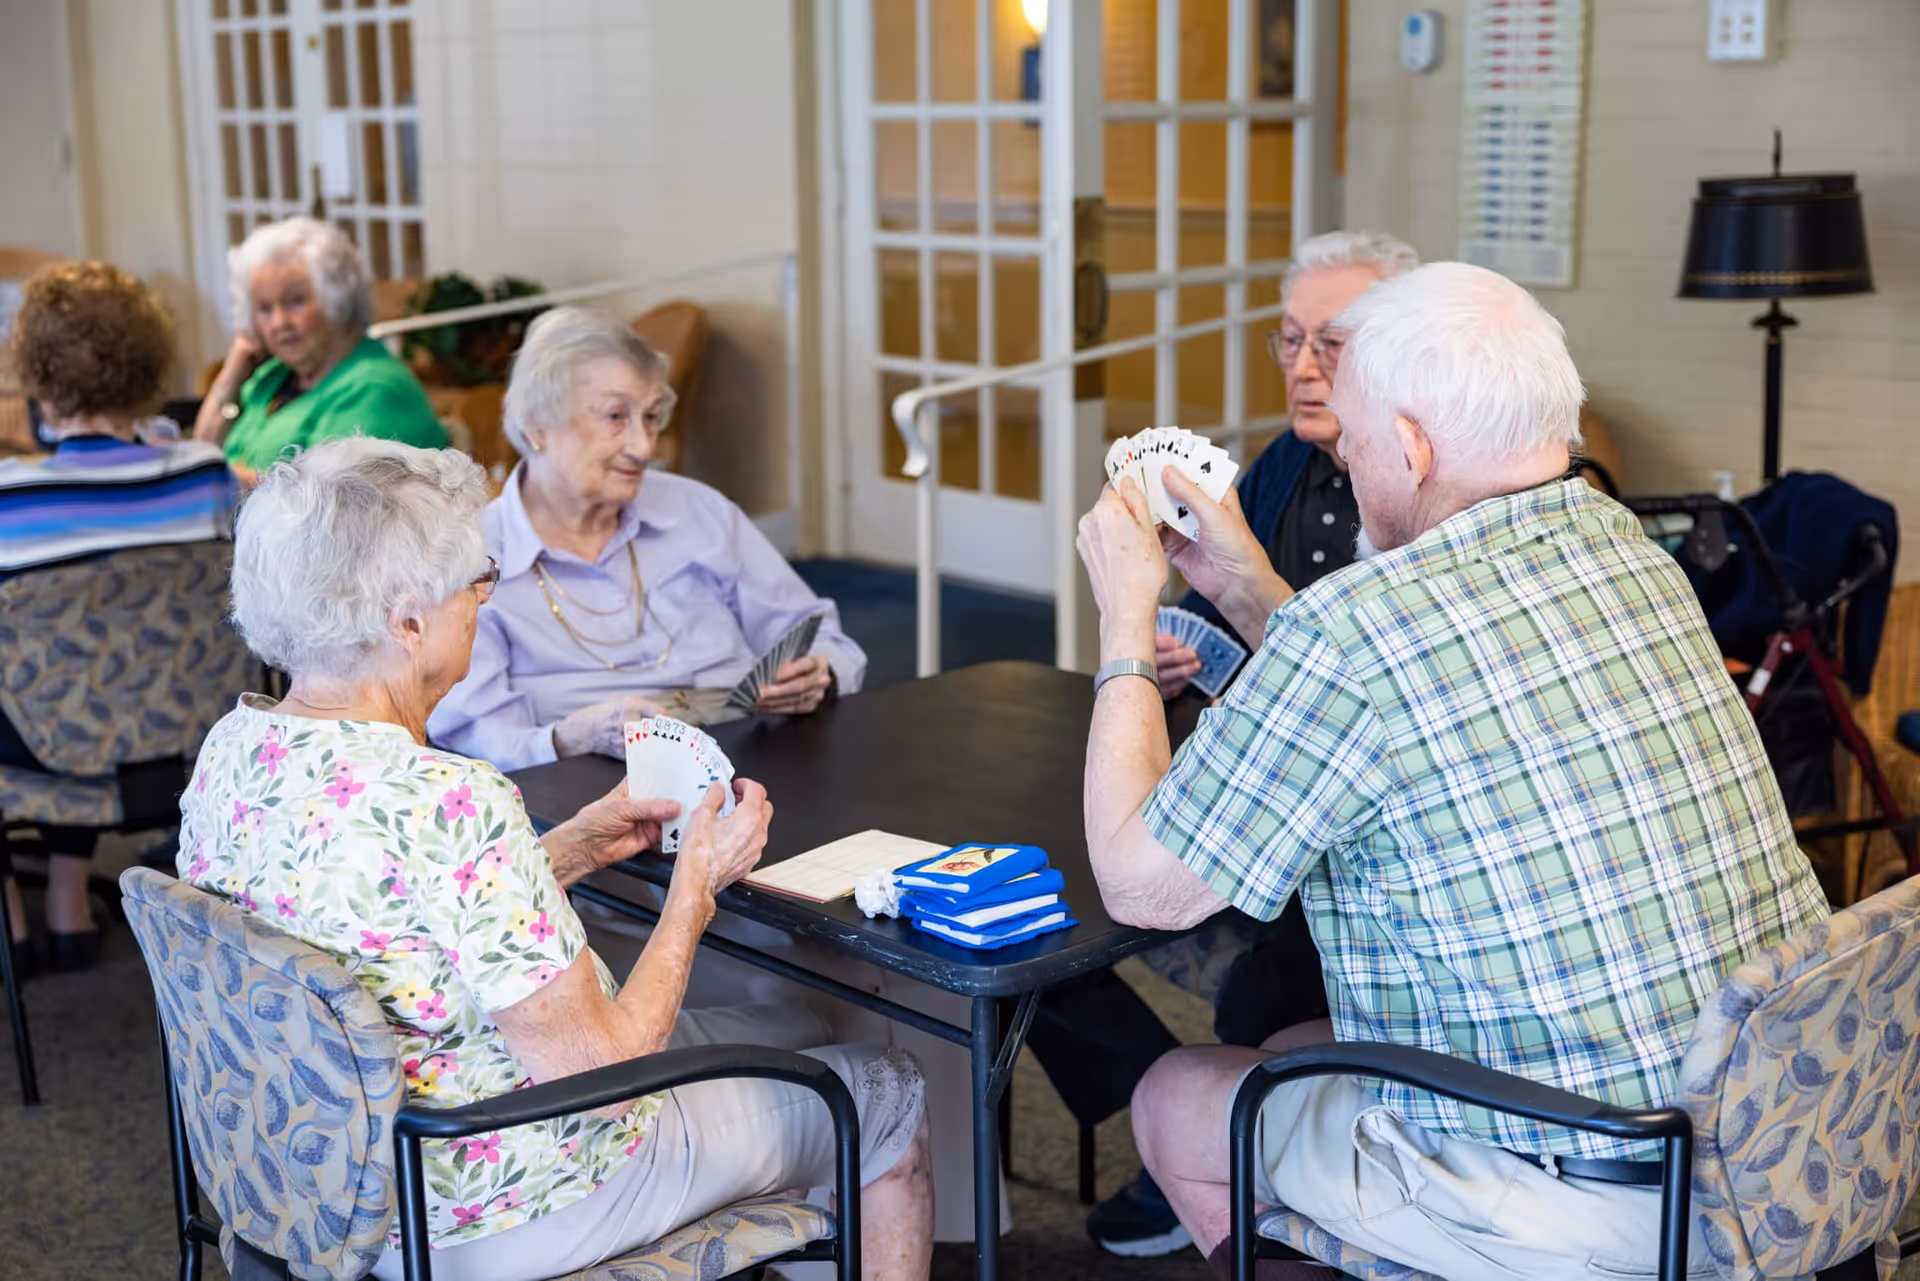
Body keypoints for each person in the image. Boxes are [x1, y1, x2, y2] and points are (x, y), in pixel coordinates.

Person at [1073, 262, 1826, 1280]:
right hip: (1766, 1127)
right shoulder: (1631, 553)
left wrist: (1125, 614)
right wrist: (1245, 580)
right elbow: (1412, 681)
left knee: (1176, 1096)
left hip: (1588, 1191)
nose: (1346, 457)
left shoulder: (1357, 633)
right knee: (1297, 1037)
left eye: (1354, 437)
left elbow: (1139, 883)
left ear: (1415, 444)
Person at [178, 437, 932, 1280]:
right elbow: (604, 1068)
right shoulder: (451, 798)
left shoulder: (236, 750)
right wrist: (695, 887)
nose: (482, 605)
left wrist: (573, 843)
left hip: (314, 1174)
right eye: (476, 584)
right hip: (496, 1199)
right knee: (886, 1088)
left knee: (814, 1024)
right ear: (407, 618)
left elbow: (386, 907)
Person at [1026, 230, 1419, 1258]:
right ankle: (1192, 1138)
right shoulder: (1282, 469)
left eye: (1331, 343)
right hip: (1278, 802)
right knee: (1032, 904)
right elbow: (1285, 673)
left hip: (1368, 851)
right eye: (1288, 339)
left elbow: (1364, 682)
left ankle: (1206, 1143)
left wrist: (1124, 634)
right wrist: (1188, 661)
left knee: (1249, 973)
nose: (1301, 366)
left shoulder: (1426, 502)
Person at [429, 306, 867, 772]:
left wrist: (821, 671)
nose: (643, 447)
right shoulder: (473, 557)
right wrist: (569, 737)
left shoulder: (697, 510)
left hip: (754, 761)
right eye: (616, 417)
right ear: (538, 427)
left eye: (652, 417)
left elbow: (818, 633)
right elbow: (475, 735)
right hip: (587, 788)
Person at [1, 260, 236, 974]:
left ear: (35, 374)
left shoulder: (10, 500)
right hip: (190, 743)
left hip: (45, 755)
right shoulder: (205, 473)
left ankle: (10, 915)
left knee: (36, 674)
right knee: (95, 667)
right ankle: (70, 897)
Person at [192, 216, 446, 481]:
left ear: (338, 297)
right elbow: (204, 446)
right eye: (264, 309)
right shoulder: (274, 376)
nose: (280, 322)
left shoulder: (375, 388)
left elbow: (327, 503)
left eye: (295, 301)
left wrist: (213, 480)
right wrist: (235, 366)